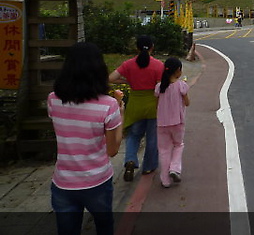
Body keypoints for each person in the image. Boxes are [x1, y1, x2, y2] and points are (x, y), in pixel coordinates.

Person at [48, 42, 125, 235]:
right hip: (97, 182)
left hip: (63, 182)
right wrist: (121, 112)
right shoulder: (108, 105)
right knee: (104, 226)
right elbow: (112, 150)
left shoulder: (53, 100)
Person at [109, 35, 164, 182]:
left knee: (133, 135)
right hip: (153, 105)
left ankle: (130, 160)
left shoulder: (129, 64)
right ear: (152, 47)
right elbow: (161, 86)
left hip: (135, 104)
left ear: (137, 48)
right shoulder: (158, 65)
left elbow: (111, 78)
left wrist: (128, 80)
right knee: (153, 138)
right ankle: (148, 166)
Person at [155, 57, 190, 188]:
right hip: (177, 122)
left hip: (162, 123)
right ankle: (174, 169)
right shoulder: (181, 85)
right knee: (178, 145)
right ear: (178, 70)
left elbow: (157, 104)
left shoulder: (159, 86)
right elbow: (187, 103)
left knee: (164, 150)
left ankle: (165, 180)